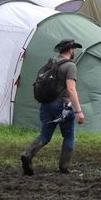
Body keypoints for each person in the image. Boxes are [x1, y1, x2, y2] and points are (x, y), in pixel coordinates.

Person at [21, 39, 86, 175]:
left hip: (46, 104)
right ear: (70, 50)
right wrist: (79, 111)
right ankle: (64, 167)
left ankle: (28, 154)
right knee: (69, 136)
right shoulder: (70, 66)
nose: (74, 51)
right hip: (62, 105)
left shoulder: (51, 63)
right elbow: (71, 89)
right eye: (74, 48)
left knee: (45, 135)